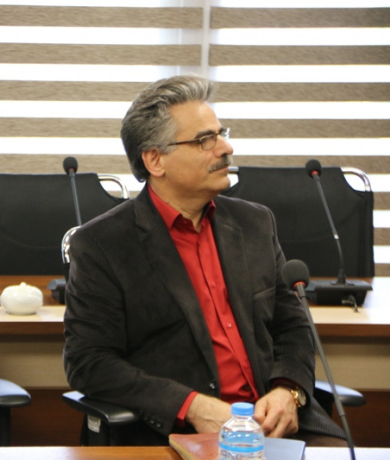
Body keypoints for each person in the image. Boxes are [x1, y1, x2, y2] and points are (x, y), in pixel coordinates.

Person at [62, 75, 346, 446]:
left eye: (221, 133)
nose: (226, 147)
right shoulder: (102, 244)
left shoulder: (254, 223)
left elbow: (292, 325)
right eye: (204, 140)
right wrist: (192, 407)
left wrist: (287, 391)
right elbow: (89, 362)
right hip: (178, 432)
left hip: (276, 425)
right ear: (155, 160)